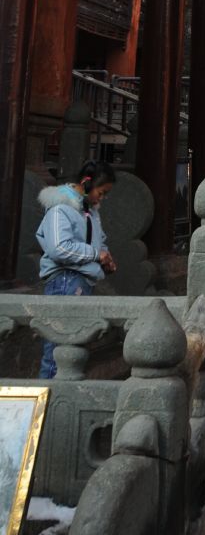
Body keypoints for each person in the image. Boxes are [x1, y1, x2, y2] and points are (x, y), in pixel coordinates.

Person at [36, 159, 117, 379]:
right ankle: (48, 404)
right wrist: (94, 255)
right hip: (64, 280)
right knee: (57, 352)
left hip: (81, 281)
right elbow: (59, 248)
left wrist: (105, 257)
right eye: (101, 192)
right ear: (87, 184)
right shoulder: (60, 209)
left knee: (72, 353)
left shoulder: (89, 212)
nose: (102, 198)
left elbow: (98, 241)